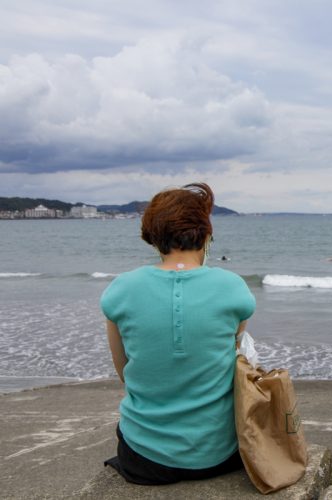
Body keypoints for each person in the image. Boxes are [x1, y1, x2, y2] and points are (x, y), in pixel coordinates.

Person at [100, 183, 255, 485]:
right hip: (220, 453)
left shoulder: (121, 289)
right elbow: (232, 358)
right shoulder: (233, 287)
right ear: (206, 233)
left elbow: (124, 372)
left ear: (152, 237)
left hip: (144, 459)